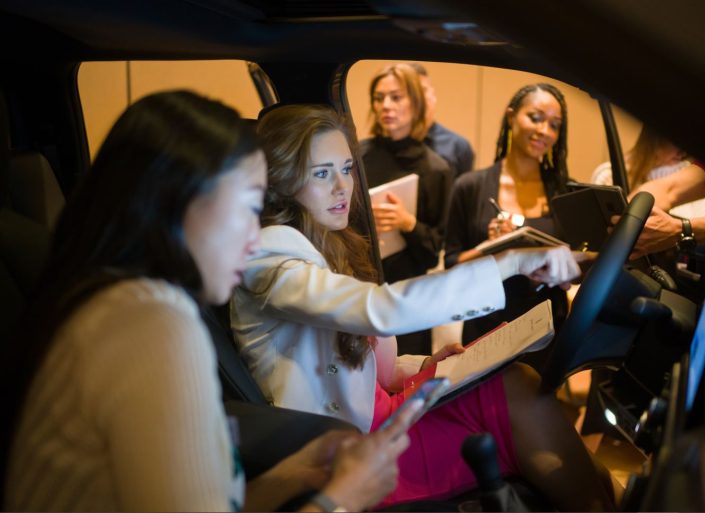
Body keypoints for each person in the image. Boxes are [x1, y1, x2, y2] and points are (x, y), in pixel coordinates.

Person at [1, 91, 413, 512]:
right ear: (177, 207)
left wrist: (292, 476)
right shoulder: (150, 326)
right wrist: (343, 496)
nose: (255, 237)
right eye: (246, 210)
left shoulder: (123, 304)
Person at [231, 103, 615, 511]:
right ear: (281, 181)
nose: (343, 187)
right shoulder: (270, 255)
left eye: (346, 168)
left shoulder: (328, 242)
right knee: (530, 408)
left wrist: (427, 364)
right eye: (322, 174)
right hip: (350, 449)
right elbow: (379, 310)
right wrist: (513, 261)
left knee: (535, 403)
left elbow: (370, 369)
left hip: (382, 411)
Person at [443, 83, 571, 346]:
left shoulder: (567, 194)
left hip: (546, 329)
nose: (543, 131)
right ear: (511, 117)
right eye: (535, 118)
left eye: (554, 125)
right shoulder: (469, 187)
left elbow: (584, 261)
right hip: (484, 327)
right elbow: (452, 267)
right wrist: (491, 247)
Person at [360, 62, 454, 355]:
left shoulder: (436, 168)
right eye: (379, 98)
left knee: (408, 378)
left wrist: (408, 223)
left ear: (415, 102)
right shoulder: (357, 155)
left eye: (396, 97)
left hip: (410, 295)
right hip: (361, 288)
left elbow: (433, 249)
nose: (386, 105)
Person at [408, 62, 476, 177]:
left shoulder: (458, 146)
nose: (419, 98)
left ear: (433, 95)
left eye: (423, 90)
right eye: (413, 92)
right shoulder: (390, 142)